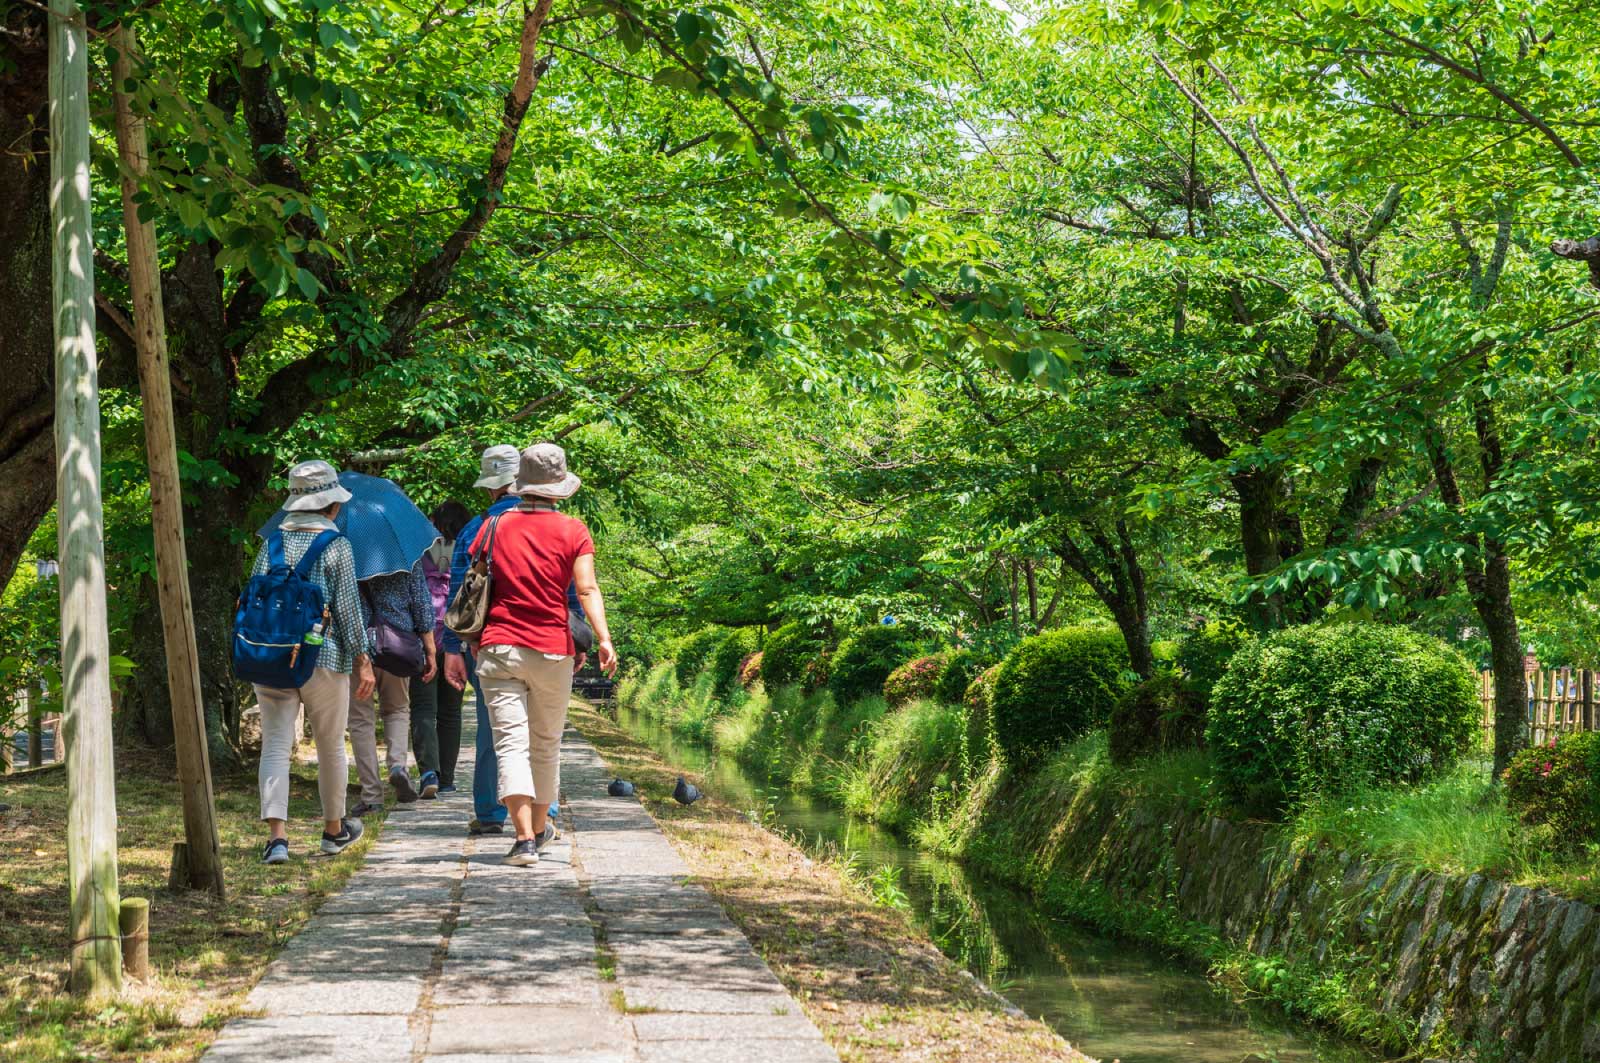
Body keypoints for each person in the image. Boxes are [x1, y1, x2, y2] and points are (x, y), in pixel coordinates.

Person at [469, 443, 617, 866]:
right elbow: (586, 589)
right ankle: (537, 827)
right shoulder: (574, 530)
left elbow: (477, 583)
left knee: (510, 745)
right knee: (547, 745)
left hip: (499, 646)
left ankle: (524, 840)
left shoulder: (492, 528)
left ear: (522, 485)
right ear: (559, 487)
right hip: (553, 648)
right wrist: (603, 639)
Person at [251, 460, 375, 864]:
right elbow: (348, 608)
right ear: (331, 506)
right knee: (330, 747)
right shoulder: (336, 546)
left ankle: (277, 839)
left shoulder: (270, 545)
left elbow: (254, 600)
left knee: (274, 744)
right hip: (324, 655)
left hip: (271, 656)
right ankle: (333, 831)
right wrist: (363, 659)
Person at [443, 444, 524, 836]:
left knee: (491, 728)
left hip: (485, 643)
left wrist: (451, 649)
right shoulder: (553, 524)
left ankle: (491, 812)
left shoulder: (473, 530)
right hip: (543, 640)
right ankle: (546, 812)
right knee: (541, 731)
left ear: (491, 487)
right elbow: (572, 591)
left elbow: (458, 596)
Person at [348, 554, 437, 817]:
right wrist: (430, 650)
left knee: (360, 719)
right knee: (397, 709)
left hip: (357, 647)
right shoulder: (406, 554)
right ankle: (398, 766)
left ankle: (372, 796)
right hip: (397, 645)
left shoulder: (344, 551)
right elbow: (422, 605)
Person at [411, 501, 472, 797]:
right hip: (456, 641)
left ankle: (428, 774)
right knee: (451, 711)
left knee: (423, 707)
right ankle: (447, 778)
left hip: (424, 640)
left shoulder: (419, 553)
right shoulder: (468, 553)